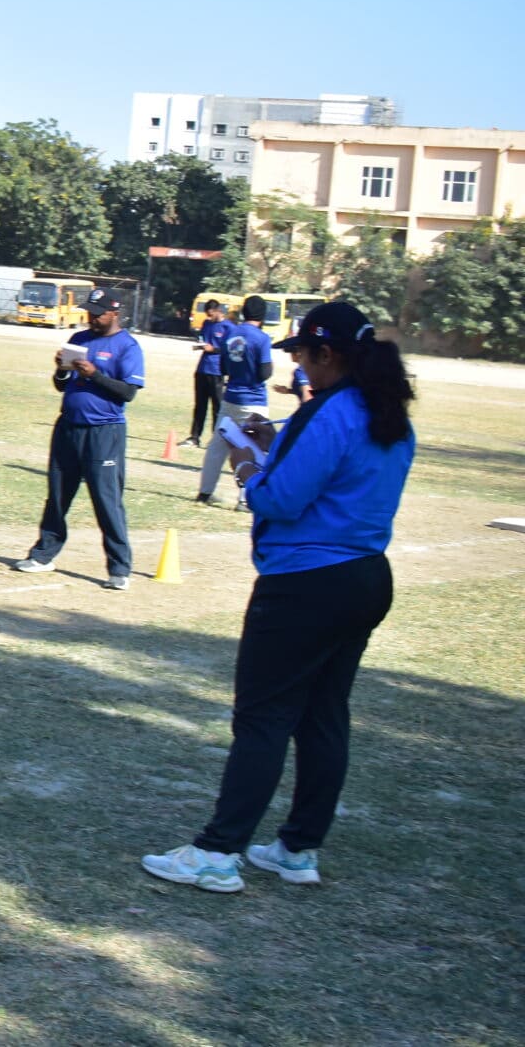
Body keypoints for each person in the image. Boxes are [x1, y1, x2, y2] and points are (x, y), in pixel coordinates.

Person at [142, 301, 416, 893]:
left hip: (305, 585)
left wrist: (245, 466)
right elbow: (334, 469)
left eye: (305, 357)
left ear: (328, 354)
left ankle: (218, 853)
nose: (300, 369)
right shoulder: (387, 413)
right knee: (323, 715)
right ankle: (297, 848)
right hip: (364, 577)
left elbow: (279, 501)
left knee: (263, 719)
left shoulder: (330, 412)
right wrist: (277, 442)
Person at [13, 287, 146, 591]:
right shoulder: (79, 339)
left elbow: (128, 392)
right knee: (58, 495)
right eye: (89, 312)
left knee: (107, 499)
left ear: (114, 313)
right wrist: (61, 370)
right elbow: (62, 386)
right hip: (68, 428)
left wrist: (94, 375)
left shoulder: (128, 347)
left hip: (105, 432)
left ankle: (119, 568)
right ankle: (44, 555)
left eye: (98, 314)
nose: (92, 318)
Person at [198, 295, 275, 509]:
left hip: (230, 396)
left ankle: (205, 491)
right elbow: (264, 372)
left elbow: (222, 368)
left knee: (218, 446)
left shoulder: (230, 333)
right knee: (253, 447)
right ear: (262, 315)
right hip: (254, 400)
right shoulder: (262, 338)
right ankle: (244, 498)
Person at [185, 299, 232, 447]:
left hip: (217, 371)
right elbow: (204, 340)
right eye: (207, 315)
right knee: (200, 405)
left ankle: (216, 439)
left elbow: (230, 349)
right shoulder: (206, 324)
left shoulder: (228, 327)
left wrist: (215, 349)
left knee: (217, 406)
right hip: (202, 369)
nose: (209, 317)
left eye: (211, 314)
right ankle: (194, 437)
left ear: (218, 311)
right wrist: (200, 346)